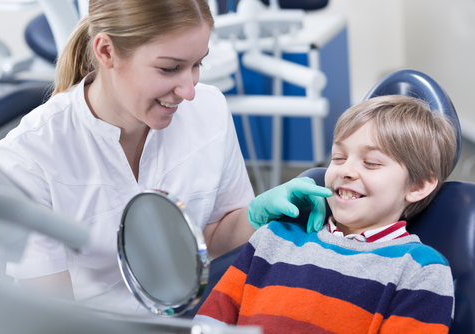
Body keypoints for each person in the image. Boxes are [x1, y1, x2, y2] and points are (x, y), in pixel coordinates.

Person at [0, 0, 330, 311]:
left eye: (197, 64)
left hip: (191, 310)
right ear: (107, 51)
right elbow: (53, 318)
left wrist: (255, 216)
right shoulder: (30, 155)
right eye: (170, 69)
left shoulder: (209, 109)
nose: (189, 90)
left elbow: (211, 239)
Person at [195, 95, 456, 334]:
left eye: (371, 163)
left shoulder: (421, 270)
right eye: (339, 157)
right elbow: (210, 322)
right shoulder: (273, 238)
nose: (346, 170)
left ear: (419, 185)